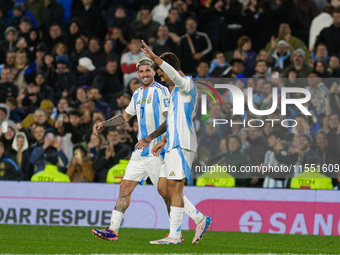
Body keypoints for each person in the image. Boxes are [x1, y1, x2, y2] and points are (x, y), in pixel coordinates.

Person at [91, 58, 207, 243]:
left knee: (167, 192)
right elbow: (125, 117)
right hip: (139, 152)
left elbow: (169, 120)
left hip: (155, 151)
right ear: (137, 74)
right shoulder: (137, 94)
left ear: (154, 72)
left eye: (148, 71)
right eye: (141, 71)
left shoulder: (162, 92)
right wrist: (104, 124)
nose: (145, 74)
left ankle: (184, 226)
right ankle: (113, 229)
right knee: (124, 188)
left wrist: (152, 139)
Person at [138, 43, 211, 244]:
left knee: (176, 189)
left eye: (162, 74)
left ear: (170, 68)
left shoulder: (187, 84)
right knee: (163, 188)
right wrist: (163, 140)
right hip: (171, 144)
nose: (162, 78)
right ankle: (199, 218)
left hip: (183, 144)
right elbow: (172, 120)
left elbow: (175, 75)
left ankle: (175, 236)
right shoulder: (174, 93)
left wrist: (153, 56)